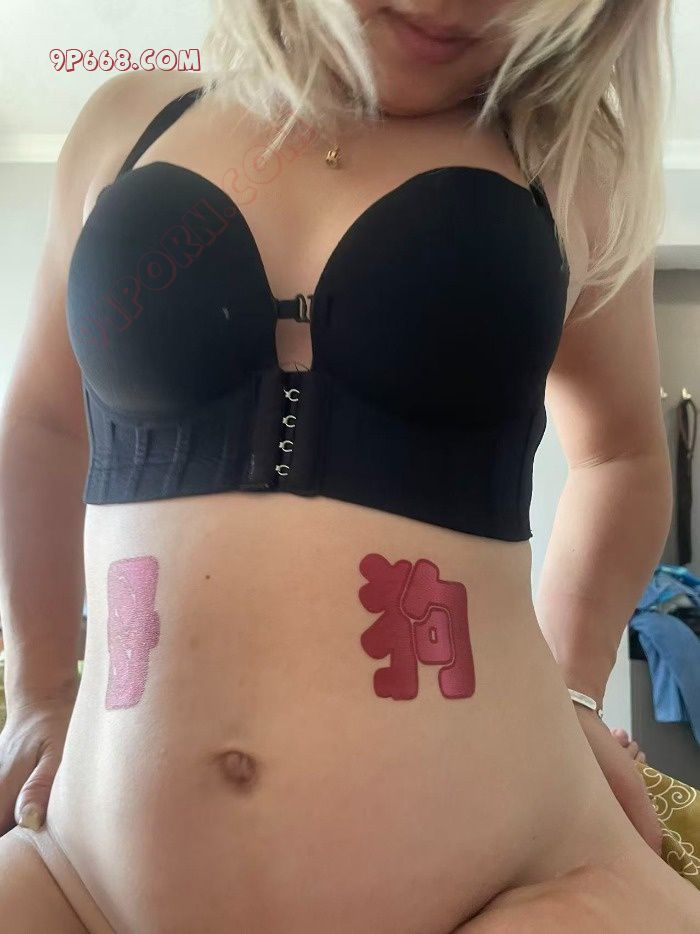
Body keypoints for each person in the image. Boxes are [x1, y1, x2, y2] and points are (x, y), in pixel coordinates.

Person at [0, 1, 698, 930]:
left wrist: (575, 687)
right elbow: (45, 426)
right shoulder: (127, 122)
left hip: (514, 885)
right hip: (83, 883)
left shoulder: (568, 167)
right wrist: (37, 685)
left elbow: (619, 455)